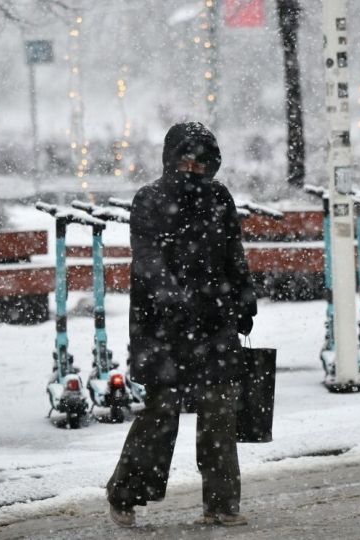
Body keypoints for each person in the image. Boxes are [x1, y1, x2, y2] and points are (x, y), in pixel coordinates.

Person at [106, 122, 257, 528]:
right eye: (186, 159)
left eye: (202, 160)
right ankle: (125, 493)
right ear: (171, 160)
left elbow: (233, 252)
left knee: (219, 412)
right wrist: (173, 299)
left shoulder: (219, 198)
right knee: (161, 413)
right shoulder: (150, 199)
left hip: (214, 324)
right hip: (162, 328)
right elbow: (148, 259)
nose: (193, 167)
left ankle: (222, 504)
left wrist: (244, 296)